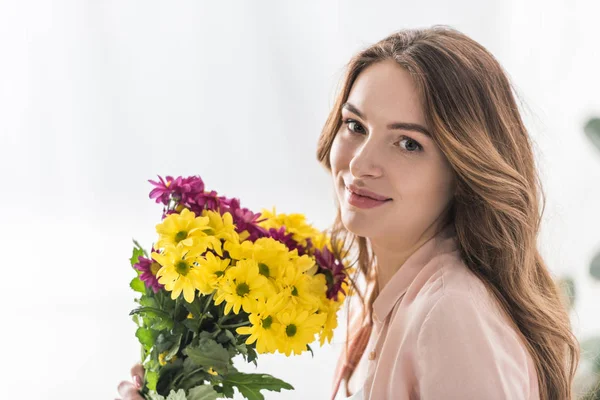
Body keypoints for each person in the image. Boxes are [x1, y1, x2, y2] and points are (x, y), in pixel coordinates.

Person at [116, 25, 580, 400]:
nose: (359, 164)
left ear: (464, 169)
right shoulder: (380, 293)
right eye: (355, 125)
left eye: (408, 143)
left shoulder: (451, 316)